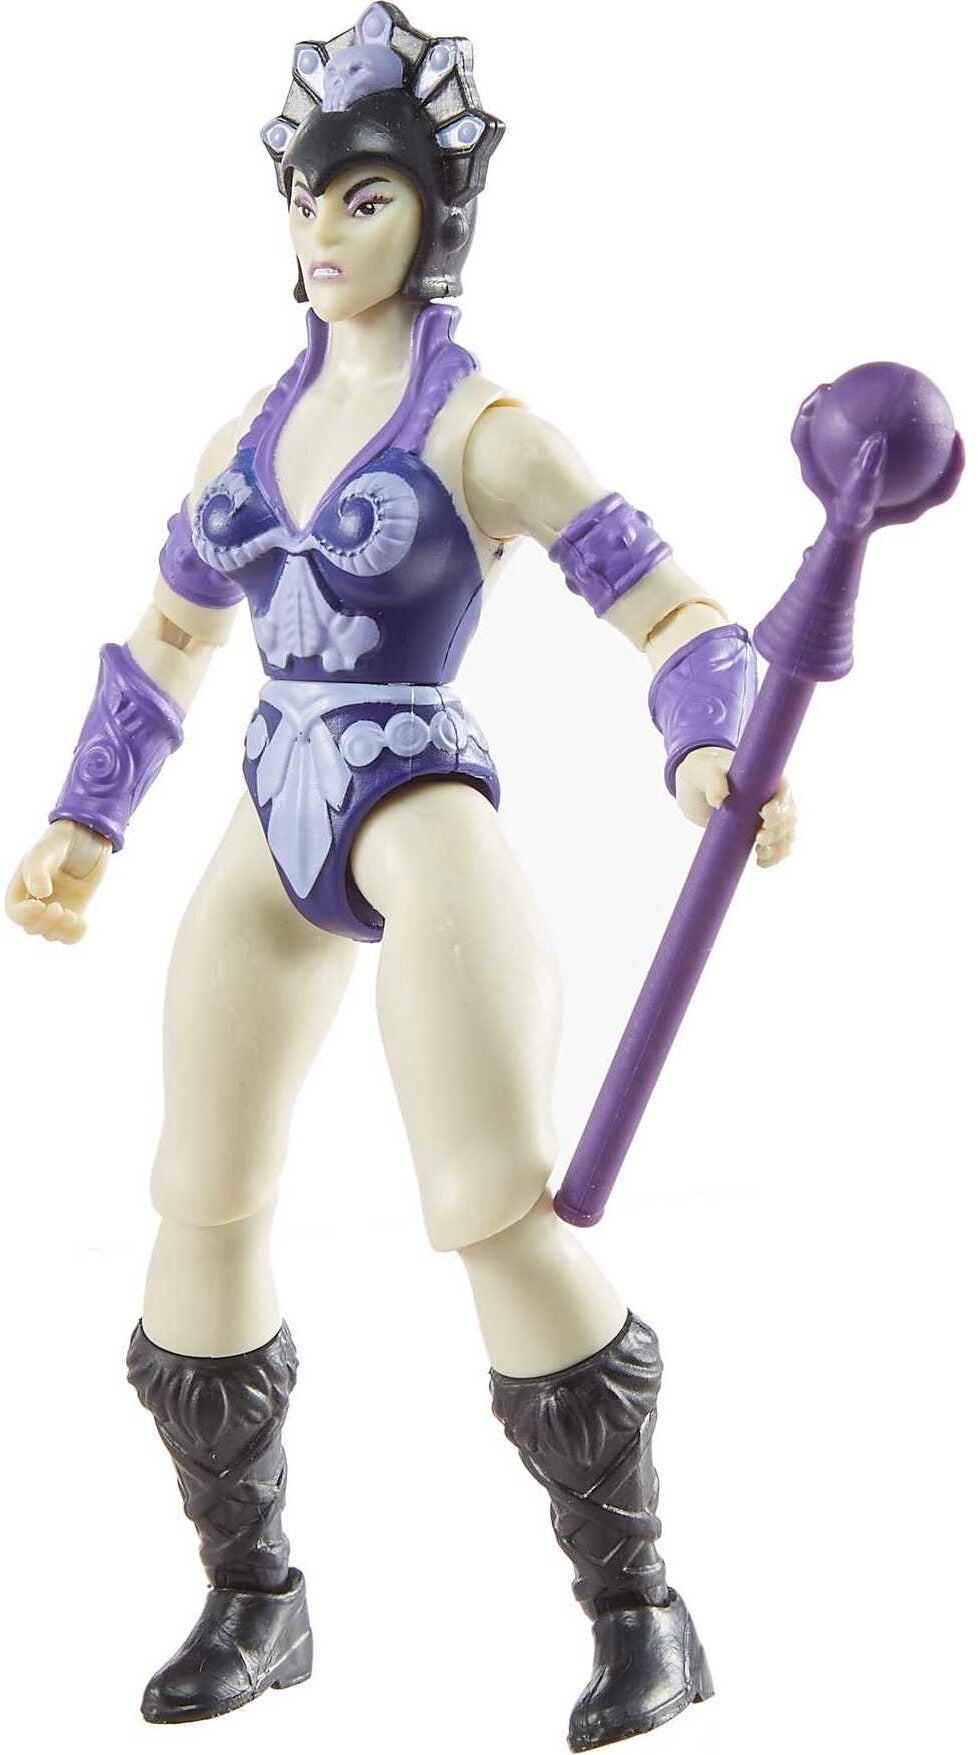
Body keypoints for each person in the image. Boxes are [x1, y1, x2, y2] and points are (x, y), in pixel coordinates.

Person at [5, 7, 795, 1748]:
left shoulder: (483, 430)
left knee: (491, 1207)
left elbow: (677, 612)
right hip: (271, 812)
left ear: (435, 214)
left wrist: (705, 747)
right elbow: (170, 638)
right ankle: (254, 1596)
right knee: (200, 1197)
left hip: (419, 808)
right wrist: (86, 816)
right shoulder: (245, 432)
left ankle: (641, 1611)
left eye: (364, 197)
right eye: (308, 196)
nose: (325, 230)